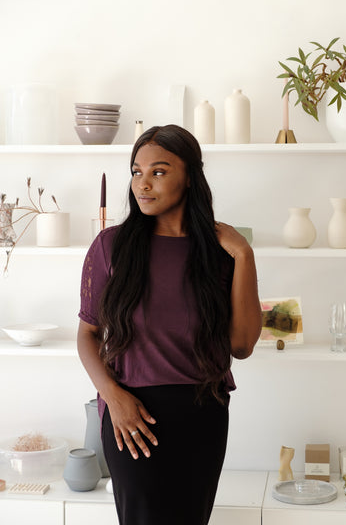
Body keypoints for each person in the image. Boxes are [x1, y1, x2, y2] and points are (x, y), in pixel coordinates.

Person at [77, 124, 262, 525]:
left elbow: (243, 346)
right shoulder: (110, 246)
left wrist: (244, 256)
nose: (143, 184)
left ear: (191, 177)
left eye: (158, 172)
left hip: (203, 415)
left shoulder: (222, 253)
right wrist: (113, 397)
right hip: (133, 416)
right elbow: (88, 334)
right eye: (136, 171)